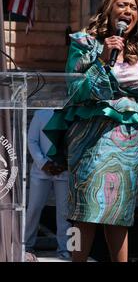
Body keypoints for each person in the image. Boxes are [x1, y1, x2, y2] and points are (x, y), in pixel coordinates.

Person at [44, 0, 138, 262]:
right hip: (91, 138)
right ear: (108, 10)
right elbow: (75, 90)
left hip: (129, 142)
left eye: (133, 7)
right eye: (121, 6)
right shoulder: (85, 42)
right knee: (86, 209)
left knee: (119, 213)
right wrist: (103, 59)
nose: (127, 11)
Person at [25, 109, 71, 260]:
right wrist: (43, 163)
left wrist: (66, 164)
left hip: (64, 171)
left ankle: (64, 250)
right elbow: (32, 140)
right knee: (34, 208)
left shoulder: (72, 113)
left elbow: (75, 141)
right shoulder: (40, 114)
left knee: (64, 212)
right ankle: (26, 246)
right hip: (41, 171)